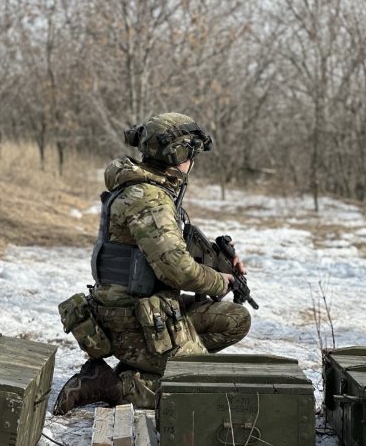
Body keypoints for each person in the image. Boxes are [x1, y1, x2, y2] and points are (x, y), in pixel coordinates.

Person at [53, 112, 251, 415]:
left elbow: (163, 252)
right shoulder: (150, 198)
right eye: (192, 154)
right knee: (196, 389)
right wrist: (217, 281)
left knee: (235, 320)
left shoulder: (147, 189)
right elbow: (177, 270)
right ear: (180, 155)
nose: (193, 163)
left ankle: (148, 366)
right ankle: (111, 385)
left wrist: (220, 263)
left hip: (142, 309)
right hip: (133, 321)